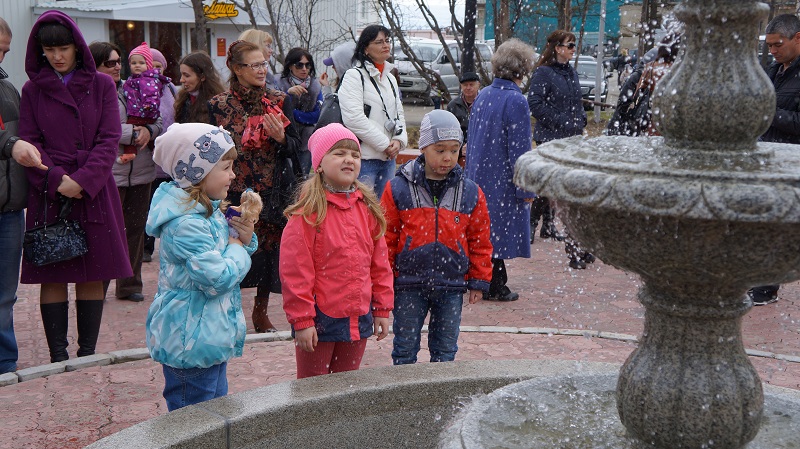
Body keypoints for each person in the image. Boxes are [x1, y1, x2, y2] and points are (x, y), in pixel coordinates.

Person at [19, 11, 131, 362]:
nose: (57, 56)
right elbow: (28, 141)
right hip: (49, 189)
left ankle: (87, 353)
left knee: (92, 271)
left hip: (93, 190)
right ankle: (57, 355)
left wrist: (83, 181)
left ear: (77, 47)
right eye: (49, 49)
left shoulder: (101, 85)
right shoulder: (32, 89)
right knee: (53, 271)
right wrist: (55, 179)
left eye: (63, 48)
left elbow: (109, 138)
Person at [146, 123, 257, 411]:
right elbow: (218, 277)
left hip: (207, 337)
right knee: (194, 420)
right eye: (226, 167)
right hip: (190, 341)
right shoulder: (185, 224)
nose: (233, 175)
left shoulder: (208, 211)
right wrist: (237, 246)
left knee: (214, 416)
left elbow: (226, 250)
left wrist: (243, 237)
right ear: (197, 171)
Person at [280, 123, 393, 378]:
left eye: (355, 155)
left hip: (359, 316)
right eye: (339, 153)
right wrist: (303, 320)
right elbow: (295, 271)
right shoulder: (307, 212)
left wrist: (382, 309)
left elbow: (380, 264)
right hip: (320, 319)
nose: (349, 160)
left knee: (347, 390)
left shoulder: (367, 208)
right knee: (313, 392)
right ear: (319, 163)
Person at [381, 110, 492, 365]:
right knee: (405, 349)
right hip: (408, 284)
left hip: (451, 285)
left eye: (454, 150)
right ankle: (404, 400)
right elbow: (385, 236)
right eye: (440, 149)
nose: (448, 157)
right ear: (423, 148)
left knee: (445, 351)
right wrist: (383, 280)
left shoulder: (470, 191)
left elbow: (480, 239)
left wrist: (478, 279)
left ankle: (441, 401)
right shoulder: (398, 188)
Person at [209, 40, 301, 333]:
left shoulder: (280, 100)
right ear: (237, 69)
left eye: (264, 64)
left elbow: (298, 148)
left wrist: (282, 139)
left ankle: (260, 312)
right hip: (231, 192)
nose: (263, 70)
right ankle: (228, 311)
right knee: (231, 250)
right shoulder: (218, 106)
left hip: (270, 192)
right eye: (255, 65)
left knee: (267, 254)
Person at [90, 41, 162, 302]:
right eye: (110, 62)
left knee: (134, 230)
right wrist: (134, 132)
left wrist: (150, 130)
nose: (118, 66)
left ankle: (130, 285)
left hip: (141, 171)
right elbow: (101, 127)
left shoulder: (135, 86)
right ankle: (97, 288)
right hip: (111, 174)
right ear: (95, 64)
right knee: (108, 232)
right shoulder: (91, 92)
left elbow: (158, 118)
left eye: (119, 61)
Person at [464, 38, 536, 302]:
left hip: (480, 175)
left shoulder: (483, 95)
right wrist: (526, 187)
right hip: (502, 179)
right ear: (522, 69)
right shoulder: (516, 101)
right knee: (497, 234)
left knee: (484, 231)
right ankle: (494, 284)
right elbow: (520, 150)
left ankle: (486, 279)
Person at [0, 16, 47, 374]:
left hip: (11, 209)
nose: (1, 58)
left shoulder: (8, 87)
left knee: (5, 295)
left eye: (5, 51)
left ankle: (5, 362)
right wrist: (12, 144)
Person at [748, 14, 800, 306]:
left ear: (798, 38)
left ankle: (766, 287)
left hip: (791, 164)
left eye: (778, 44)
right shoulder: (772, 70)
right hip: (763, 158)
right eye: (769, 46)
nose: (773, 51)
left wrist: (770, 112)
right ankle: (756, 280)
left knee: (778, 227)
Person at [528, 30, 586, 257]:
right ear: (558, 48)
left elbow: (576, 100)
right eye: (570, 45)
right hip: (550, 136)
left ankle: (548, 225)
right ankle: (532, 222)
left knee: (560, 183)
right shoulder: (544, 73)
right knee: (547, 182)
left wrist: (582, 119)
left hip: (571, 136)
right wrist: (561, 121)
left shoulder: (571, 72)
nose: (573, 49)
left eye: (574, 45)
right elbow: (535, 102)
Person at [340, 24, 408, 198]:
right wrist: (385, 144)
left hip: (388, 161)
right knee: (361, 213)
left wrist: (399, 140)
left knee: (383, 214)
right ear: (366, 49)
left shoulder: (391, 78)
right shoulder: (354, 76)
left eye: (387, 40)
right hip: (363, 160)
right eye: (379, 42)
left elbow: (398, 114)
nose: (386, 45)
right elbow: (353, 118)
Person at [142, 48, 179, 263]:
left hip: (170, 157)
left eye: (159, 66)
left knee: (169, 203)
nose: (155, 70)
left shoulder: (170, 88)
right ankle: (146, 247)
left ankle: (169, 243)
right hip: (149, 156)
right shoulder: (139, 88)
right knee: (149, 204)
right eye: (151, 65)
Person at [119, 42, 168, 164]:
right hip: (140, 111)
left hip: (143, 113)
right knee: (150, 141)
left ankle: (130, 151)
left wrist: (149, 105)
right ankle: (156, 153)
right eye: (133, 63)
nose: (137, 66)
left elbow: (151, 94)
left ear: (148, 65)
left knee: (133, 126)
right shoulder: (133, 80)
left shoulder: (147, 79)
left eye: (141, 63)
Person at [277, 47, 324, 174]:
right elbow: (275, 110)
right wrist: (287, 95)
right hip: (285, 139)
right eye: (299, 65)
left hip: (306, 140)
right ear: (290, 66)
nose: (304, 69)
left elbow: (317, 116)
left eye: (307, 65)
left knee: (302, 178)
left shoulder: (315, 86)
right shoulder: (279, 84)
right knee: (286, 178)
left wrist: (292, 114)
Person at [173, 51, 225, 124]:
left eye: (187, 75)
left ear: (202, 77)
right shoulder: (183, 100)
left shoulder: (218, 103)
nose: (181, 80)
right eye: (181, 75)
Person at [447, 71, 481, 166]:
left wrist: (473, 145)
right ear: (461, 86)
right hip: (458, 150)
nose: (468, 88)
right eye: (465, 85)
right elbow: (449, 132)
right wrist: (460, 148)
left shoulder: (485, 103)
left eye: (471, 84)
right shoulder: (453, 106)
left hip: (481, 148)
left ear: (478, 85)